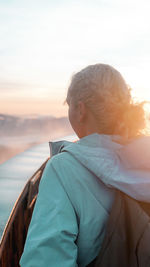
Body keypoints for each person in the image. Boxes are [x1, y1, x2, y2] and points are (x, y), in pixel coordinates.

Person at [20, 64, 150, 267]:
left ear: (80, 110)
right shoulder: (144, 159)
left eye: (69, 105)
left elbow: (46, 261)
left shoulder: (63, 168)